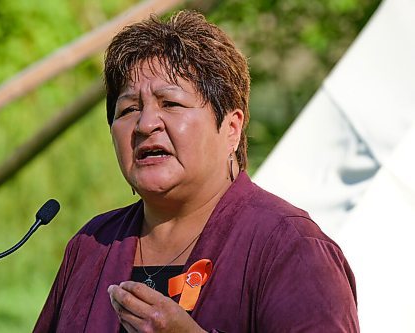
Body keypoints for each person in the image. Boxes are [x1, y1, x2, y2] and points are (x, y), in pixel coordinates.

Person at [34, 10, 359, 333]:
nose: (146, 124)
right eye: (129, 109)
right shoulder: (93, 245)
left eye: (171, 104)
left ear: (232, 128)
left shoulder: (291, 249)